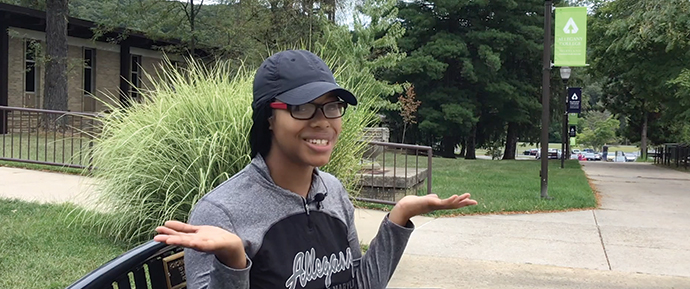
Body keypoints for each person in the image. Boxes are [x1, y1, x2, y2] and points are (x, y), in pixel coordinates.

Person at [153, 50, 478, 289]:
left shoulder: (332, 191)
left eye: (332, 106)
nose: (323, 120)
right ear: (269, 117)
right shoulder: (222, 212)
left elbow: (357, 285)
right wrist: (233, 262)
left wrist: (400, 217)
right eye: (302, 107)